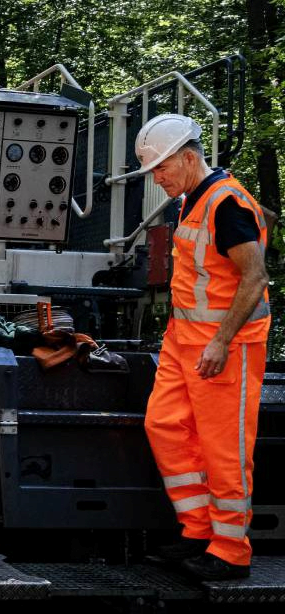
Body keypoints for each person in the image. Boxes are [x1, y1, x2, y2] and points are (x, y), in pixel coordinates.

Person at [138, 114, 272, 581]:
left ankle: (231, 550)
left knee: (224, 450)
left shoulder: (226, 204)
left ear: (189, 158)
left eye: (161, 168)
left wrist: (220, 340)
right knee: (164, 426)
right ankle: (197, 530)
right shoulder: (194, 200)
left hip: (224, 348)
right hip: (184, 343)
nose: (157, 178)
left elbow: (255, 277)